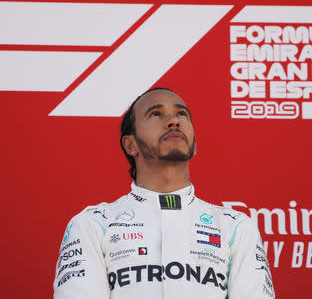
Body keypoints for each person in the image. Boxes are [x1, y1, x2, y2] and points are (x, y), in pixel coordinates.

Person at [53, 88, 275, 299]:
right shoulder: (93, 224)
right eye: (156, 114)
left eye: (182, 114)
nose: (174, 121)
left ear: (195, 143)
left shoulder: (235, 227)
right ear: (130, 145)